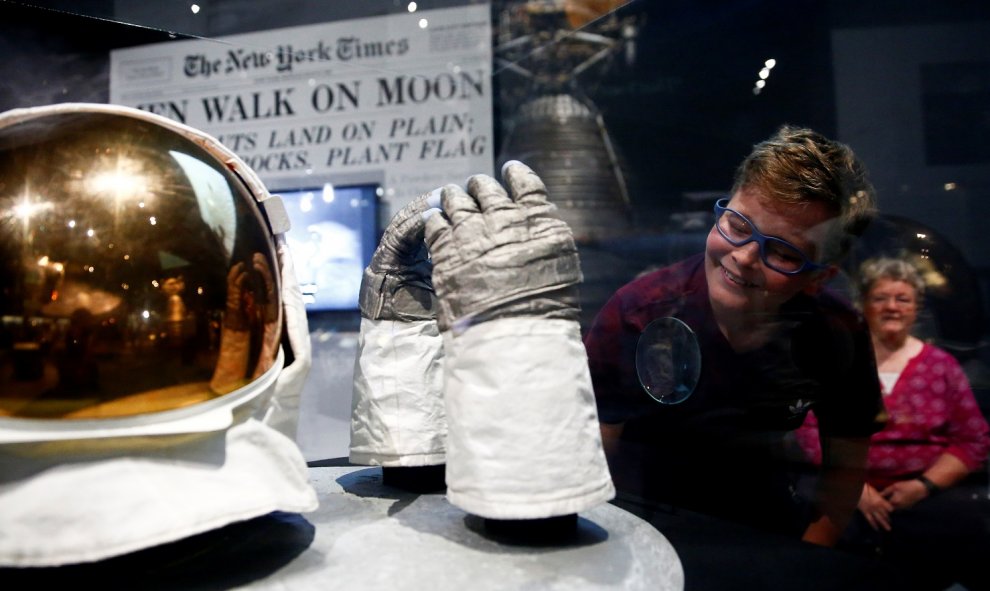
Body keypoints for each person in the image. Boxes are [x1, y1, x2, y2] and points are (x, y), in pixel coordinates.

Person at [584, 125, 887, 546]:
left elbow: (846, 466)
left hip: (766, 525)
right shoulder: (637, 312)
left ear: (819, 279)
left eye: (782, 252)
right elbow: (593, 457)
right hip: (645, 525)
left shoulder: (836, 332)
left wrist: (805, 559)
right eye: (738, 224)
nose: (743, 258)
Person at [795, 257, 990, 589]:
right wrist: (853, 486)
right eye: (881, 298)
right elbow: (809, 429)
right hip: (844, 492)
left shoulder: (941, 366)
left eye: (903, 299)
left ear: (917, 308)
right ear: (863, 304)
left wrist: (923, 487)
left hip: (927, 499)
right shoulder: (840, 358)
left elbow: (974, 439)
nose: (892, 307)